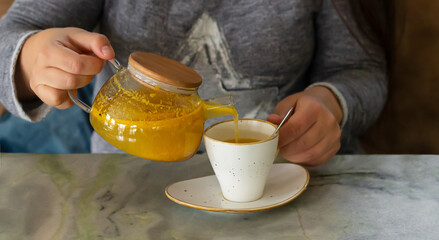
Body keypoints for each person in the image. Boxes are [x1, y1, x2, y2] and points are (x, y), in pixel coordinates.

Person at [0, 0, 389, 166]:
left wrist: (331, 102)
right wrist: (30, 57)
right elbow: (10, 37)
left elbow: (361, 67)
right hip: (134, 189)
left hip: (282, 181)